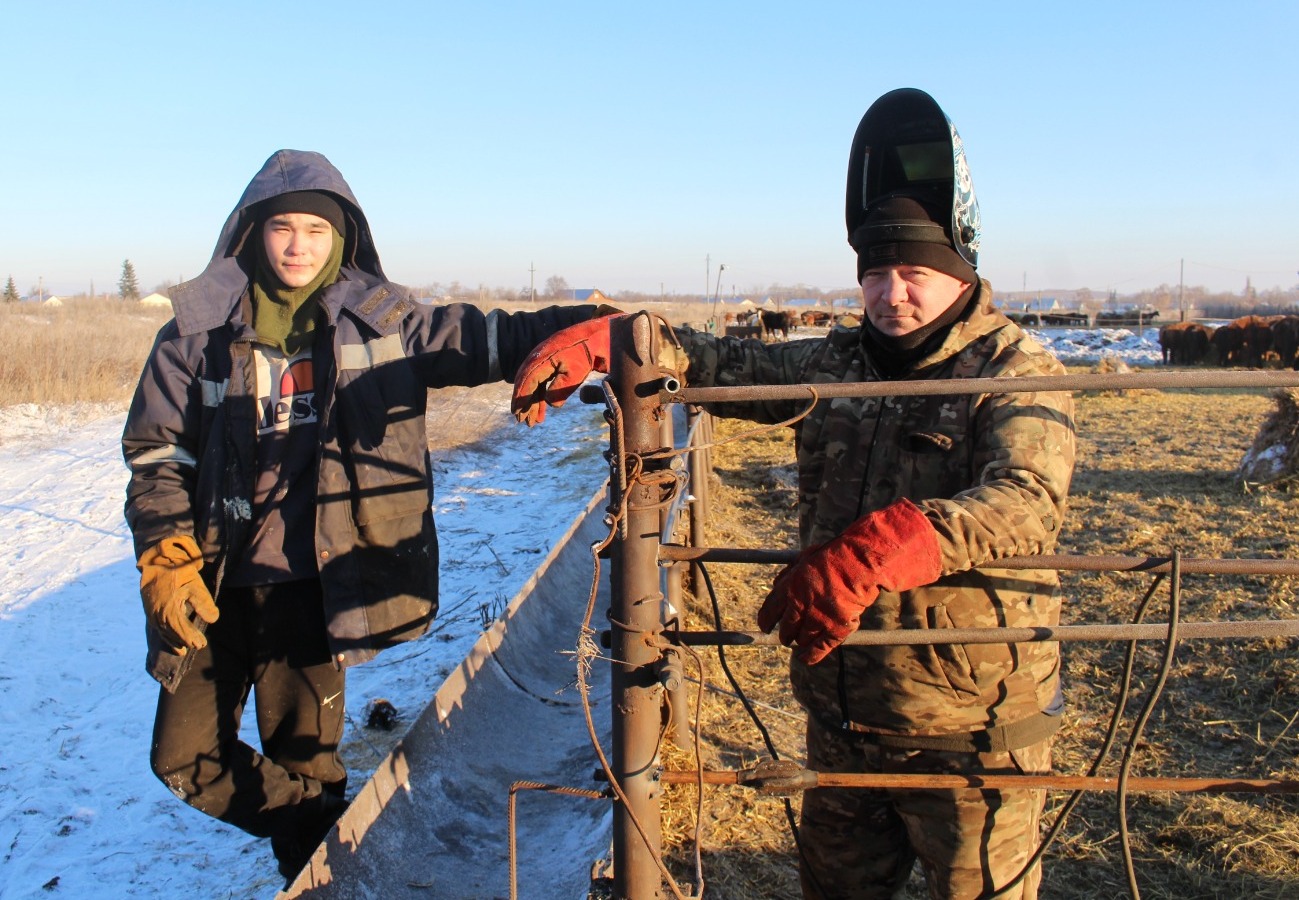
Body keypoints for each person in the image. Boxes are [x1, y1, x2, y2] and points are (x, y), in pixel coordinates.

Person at [512, 88, 1075, 899]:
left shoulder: (1016, 374)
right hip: (841, 712)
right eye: (874, 275)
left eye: (913, 274)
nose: (891, 295)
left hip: (971, 727)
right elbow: (725, 368)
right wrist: (625, 341)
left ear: (959, 276)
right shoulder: (841, 363)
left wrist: (883, 549)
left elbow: (1023, 499)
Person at [122, 149, 616, 883]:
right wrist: (166, 554)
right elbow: (158, 455)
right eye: (282, 229)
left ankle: (318, 873)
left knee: (305, 759)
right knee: (185, 760)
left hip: (316, 585)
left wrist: (601, 327)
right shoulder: (193, 335)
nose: (298, 246)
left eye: (315, 233)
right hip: (212, 581)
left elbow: (490, 336)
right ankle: (322, 827)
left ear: (342, 239)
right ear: (252, 233)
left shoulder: (384, 322)